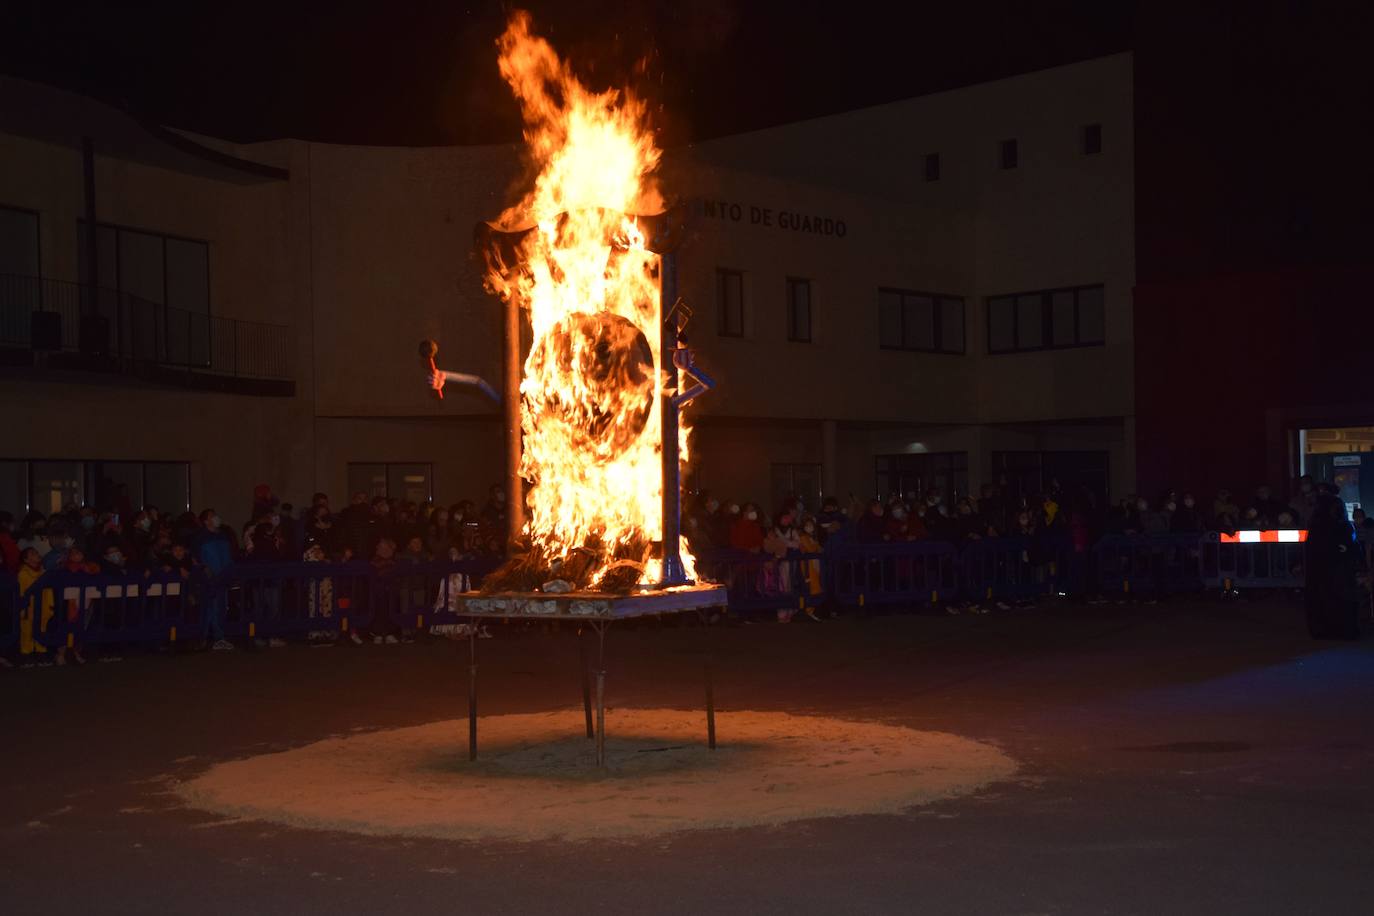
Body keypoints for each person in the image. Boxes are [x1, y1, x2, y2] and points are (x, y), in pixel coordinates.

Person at [1303, 493, 1360, 640]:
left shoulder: (1317, 525)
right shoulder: (1342, 525)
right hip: (1338, 571)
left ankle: (1326, 629)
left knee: (1325, 599)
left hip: (1324, 572)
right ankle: (1342, 630)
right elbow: (1352, 547)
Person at [193, 509, 235, 651]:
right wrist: (204, 569)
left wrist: (228, 572)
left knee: (220, 607)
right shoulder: (201, 537)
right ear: (206, 521)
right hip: (209, 579)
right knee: (209, 608)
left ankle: (218, 637)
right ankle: (207, 637)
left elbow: (228, 556)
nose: (216, 517)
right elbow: (195, 559)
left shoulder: (223, 535)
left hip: (222, 576)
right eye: (212, 516)